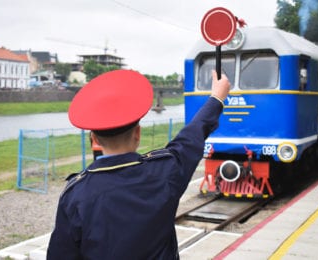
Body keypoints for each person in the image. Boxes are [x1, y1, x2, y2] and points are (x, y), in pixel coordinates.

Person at [47, 69, 230, 259]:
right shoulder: (165, 171)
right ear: (138, 134)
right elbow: (192, 136)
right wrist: (216, 98)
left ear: (95, 139)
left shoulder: (75, 194)